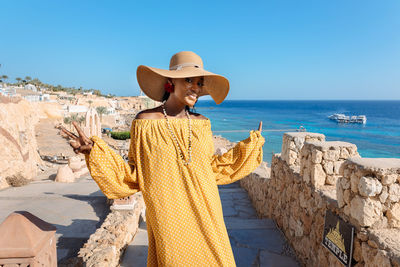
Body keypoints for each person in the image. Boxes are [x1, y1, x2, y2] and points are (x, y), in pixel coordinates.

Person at [62, 51, 265, 266]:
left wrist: (249, 148)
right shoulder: (144, 122)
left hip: (206, 209)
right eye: (189, 80)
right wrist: (95, 153)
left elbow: (211, 168)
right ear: (170, 82)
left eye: (199, 82)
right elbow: (135, 173)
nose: (195, 87)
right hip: (167, 214)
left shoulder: (202, 123)